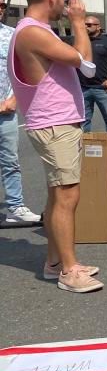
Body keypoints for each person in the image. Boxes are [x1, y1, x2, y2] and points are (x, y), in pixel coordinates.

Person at [9, 0, 102, 292]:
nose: (68, 2)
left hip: (56, 122)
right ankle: (70, 271)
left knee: (57, 195)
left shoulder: (36, 31)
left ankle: (54, 263)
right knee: (67, 196)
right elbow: (87, 64)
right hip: (54, 124)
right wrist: (78, 22)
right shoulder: (33, 32)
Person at [0, 17, 42, 228]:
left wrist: (14, 98)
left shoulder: (12, 35)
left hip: (6, 111)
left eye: (1, 5)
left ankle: (15, 208)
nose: (0, 10)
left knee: (10, 162)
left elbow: (24, 70)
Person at [79, 15, 107, 132]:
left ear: (98, 27)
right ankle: (84, 148)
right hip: (83, 88)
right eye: (84, 24)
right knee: (83, 122)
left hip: (103, 88)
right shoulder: (80, 42)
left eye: (89, 25)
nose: (86, 27)